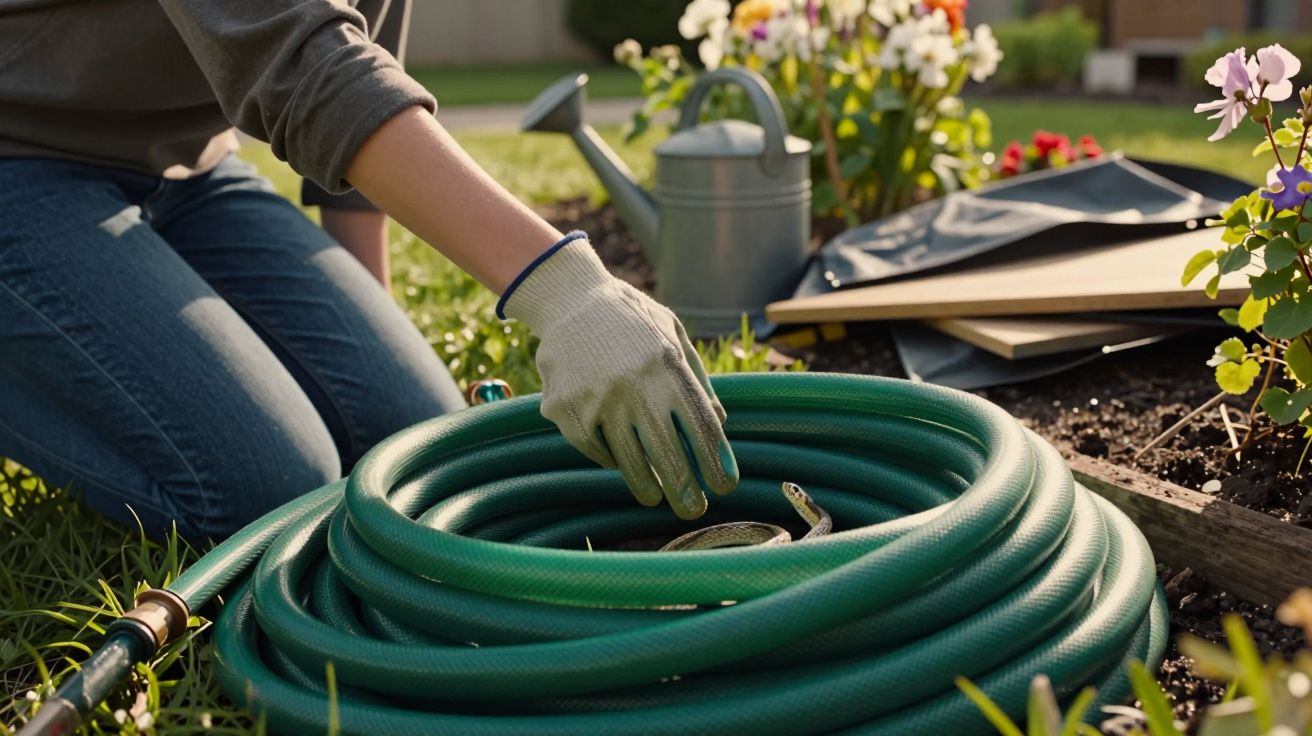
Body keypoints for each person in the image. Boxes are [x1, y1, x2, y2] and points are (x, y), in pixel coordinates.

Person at [0, 0, 738, 542]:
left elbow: (362, 61)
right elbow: (300, 62)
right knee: (272, 488)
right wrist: (566, 290)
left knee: (406, 445)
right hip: (17, 160)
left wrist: (366, 363)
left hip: (188, 168)